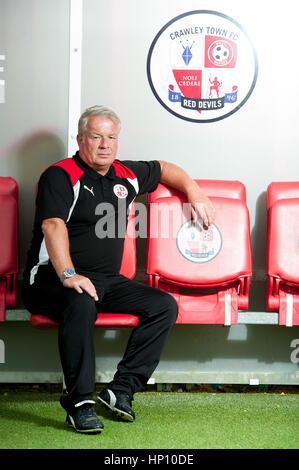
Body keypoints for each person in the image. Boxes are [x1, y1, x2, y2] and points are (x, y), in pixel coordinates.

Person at [22, 105, 215, 434]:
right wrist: (69, 275)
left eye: (111, 137)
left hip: (107, 281)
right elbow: (53, 226)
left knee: (163, 305)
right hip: (51, 279)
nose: (104, 144)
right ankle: (80, 403)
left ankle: (121, 390)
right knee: (81, 301)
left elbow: (165, 168)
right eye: (96, 137)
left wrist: (193, 190)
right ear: (81, 138)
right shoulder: (61, 175)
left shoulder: (125, 174)